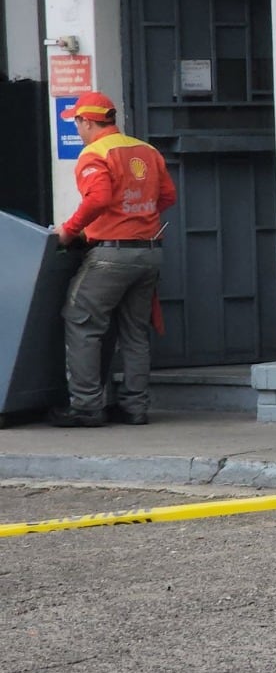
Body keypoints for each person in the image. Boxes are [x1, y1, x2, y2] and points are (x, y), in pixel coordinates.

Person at [53, 91, 177, 427]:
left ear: (87, 121)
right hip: (149, 252)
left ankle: (87, 406)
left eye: (77, 122)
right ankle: (135, 407)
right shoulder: (146, 150)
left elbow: (99, 197)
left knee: (81, 321)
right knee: (135, 332)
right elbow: (168, 195)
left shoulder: (94, 153)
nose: (77, 129)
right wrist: (137, 217)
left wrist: (69, 229)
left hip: (111, 254)